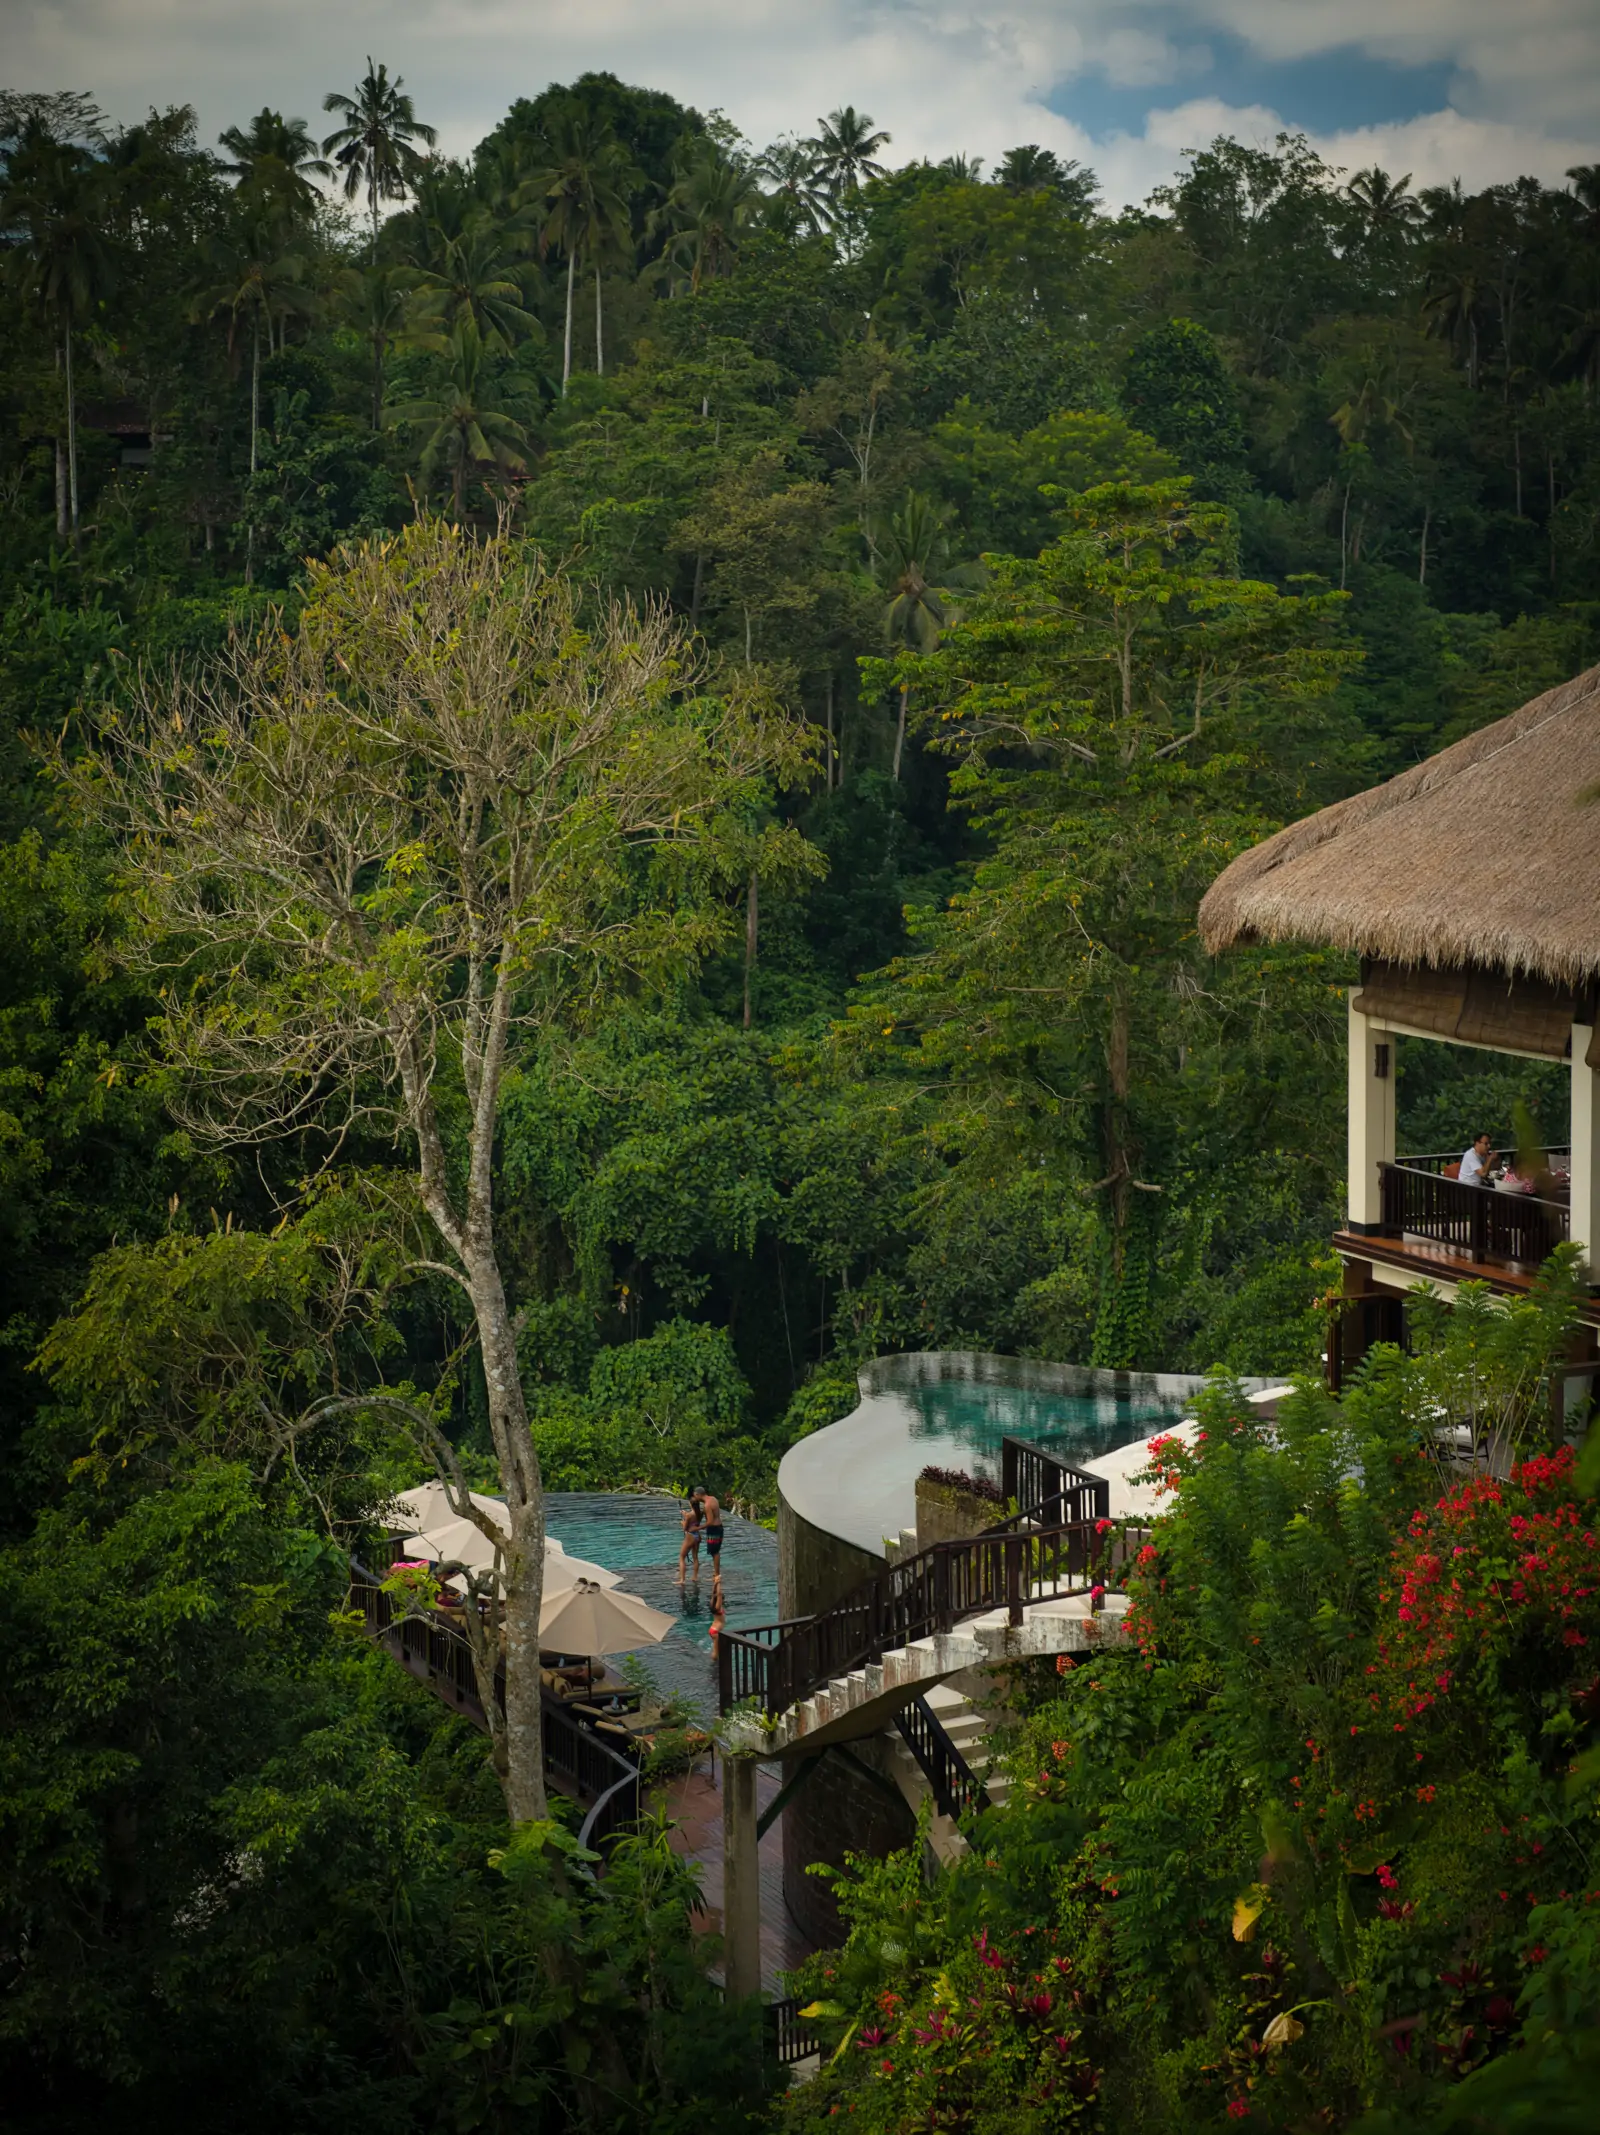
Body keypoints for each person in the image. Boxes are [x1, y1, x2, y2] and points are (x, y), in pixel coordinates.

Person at [675, 1489, 703, 1585]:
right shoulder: (700, 1513)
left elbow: (685, 1528)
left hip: (690, 1536)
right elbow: (694, 1521)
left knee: (682, 1557)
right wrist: (685, 1514)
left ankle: (682, 1580)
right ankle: (694, 1577)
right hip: (697, 1536)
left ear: (691, 1504)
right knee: (695, 1557)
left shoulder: (689, 1515)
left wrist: (683, 1522)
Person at [697, 1484, 725, 1578]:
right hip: (720, 1527)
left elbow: (709, 1522)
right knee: (716, 1551)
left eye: (695, 1496)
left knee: (714, 1552)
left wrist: (698, 1528)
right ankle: (716, 1573)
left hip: (714, 1529)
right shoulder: (713, 1499)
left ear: (698, 1495)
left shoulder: (707, 1505)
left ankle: (717, 1574)